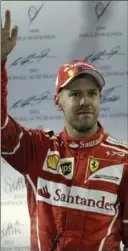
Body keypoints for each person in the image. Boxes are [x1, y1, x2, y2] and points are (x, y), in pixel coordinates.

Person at [1, 9, 128, 251]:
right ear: (57, 101)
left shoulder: (123, 159)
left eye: (92, 94)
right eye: (75, 94)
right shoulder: (37, 148)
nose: (85, 101)